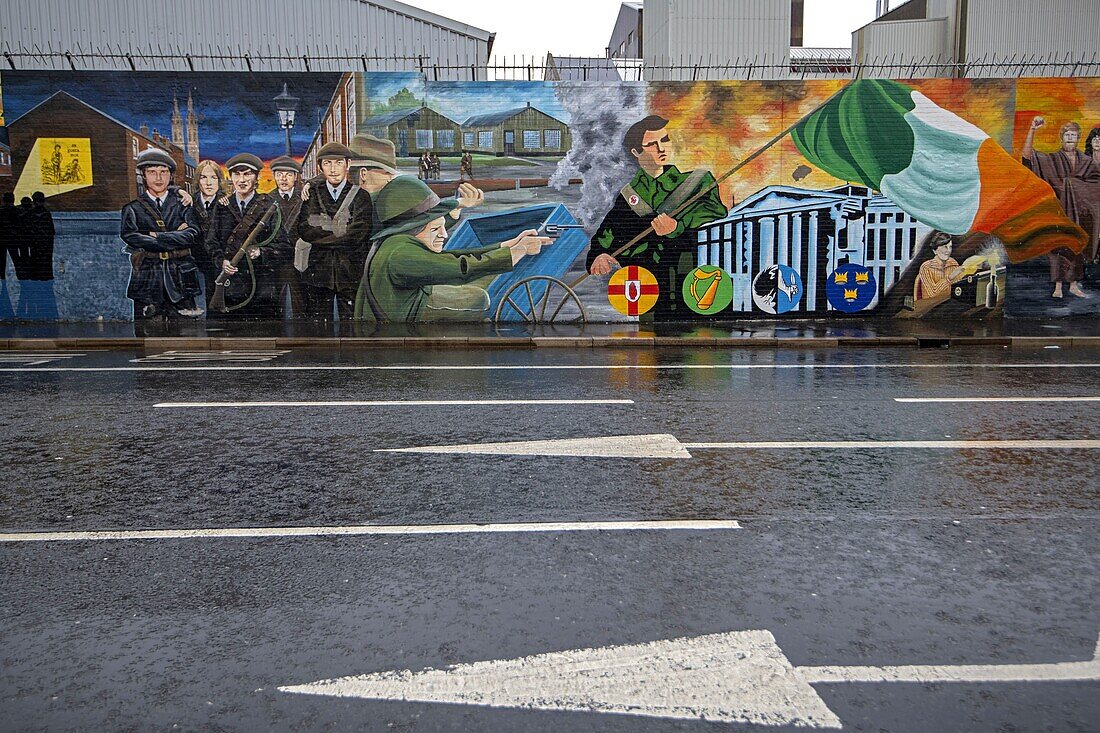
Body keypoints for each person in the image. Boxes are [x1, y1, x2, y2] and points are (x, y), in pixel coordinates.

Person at [587, 114, 727, 319]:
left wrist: (678, 226)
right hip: (646, 292)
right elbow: (607, 234)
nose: (662, 149)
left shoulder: (697, 182)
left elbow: (716, 212)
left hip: (693, 286)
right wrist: (598, 255)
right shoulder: (630, 195)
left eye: (665, 140)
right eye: (652, 144)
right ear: (636, 152)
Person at [355, 176, 551, 322]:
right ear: (412, 229)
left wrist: (507, 244)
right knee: (479, 298)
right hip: (407, 313)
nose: (445, 234)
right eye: (436, 229)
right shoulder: (401, 254)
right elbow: (461, 268)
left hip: (405, 302)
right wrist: (519, 251)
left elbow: (453, 256)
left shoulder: (397, 241)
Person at [119, 148, 203, 321]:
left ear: (170, 176)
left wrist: (157, 236)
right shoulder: (132, 209)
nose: (158, 178)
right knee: (148, 334)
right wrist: (175, 236)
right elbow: (131, 236)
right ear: (143, 175)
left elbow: (193, 234)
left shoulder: (183, 204)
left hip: (180, 277)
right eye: (152, 172)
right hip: (148, 279)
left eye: (163, 172)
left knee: (186, 333)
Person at [1021, 117, 1100, 298]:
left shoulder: (1087, 162)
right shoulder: (1052, 159)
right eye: (1067, 134)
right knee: (1058, 245)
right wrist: (1032, 129)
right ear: (1062, 138)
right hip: (1059, 212)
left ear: (1078, 138)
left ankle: (1072, 284)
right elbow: (1027, 158)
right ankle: (1057, 286)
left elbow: (1096, 185)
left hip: (1080, 215)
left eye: (1073, 134)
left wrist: (1075, 188)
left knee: (1077, 245)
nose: (1070, 138)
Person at [204, 153, 289, 318]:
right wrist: (221, 261)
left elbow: (284, 247)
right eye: (237, 174)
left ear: (256, 177)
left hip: (260, 289)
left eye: (247, 174)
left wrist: (261, 252)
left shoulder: (269, 207)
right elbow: (210, 242)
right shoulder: (221, 206)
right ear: (231, 177)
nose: (241, 180)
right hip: (229, 287)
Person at [295, 142, 374, 320]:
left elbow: (358, 234)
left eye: (338, 163)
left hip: (350, 273)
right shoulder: (313, 194)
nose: (333, 169)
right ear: (320, 167)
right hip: (318, 273)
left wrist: (322, 233)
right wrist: (340, 232)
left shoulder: (361, 197)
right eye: (327, 163)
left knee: (352, 326)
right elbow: (305, 229)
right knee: (318, 328)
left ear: (348, 164)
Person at [269, 155, 305, 317]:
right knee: (277, 301)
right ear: (274, 176)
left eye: (289, 174)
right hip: (277, 258)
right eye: (279, 174)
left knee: (302, 301)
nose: (283, 178)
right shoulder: (267, 199)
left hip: (301, 257)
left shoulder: (305, 197)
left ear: (296, 176)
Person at [189, 159, 225, 304]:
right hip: (195, 263)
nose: (209, 183)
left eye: (213, 177)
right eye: (204, 177)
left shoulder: (227, 203)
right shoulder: (189, 203)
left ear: (219, 180)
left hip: (219, 262)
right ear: (198, 180)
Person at [914, 232, 966, 301]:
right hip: (930, 306)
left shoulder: (953, 263)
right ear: (935, 250)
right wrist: (950, 278)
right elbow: (932, 293)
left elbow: (958, 289)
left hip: (950, 303)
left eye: (950, 247)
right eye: (945, 247)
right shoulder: (926, 267)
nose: (948, 251)